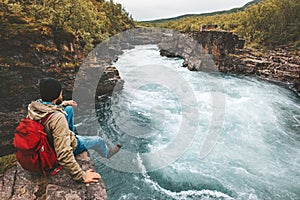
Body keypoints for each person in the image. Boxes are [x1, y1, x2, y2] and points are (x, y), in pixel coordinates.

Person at [27, 77, 121, 183]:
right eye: (61, 92)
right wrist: (82, 176)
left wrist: (63, 104)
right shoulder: (58, 119)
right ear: (58, 95)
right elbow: (63, 154)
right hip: (57, 146)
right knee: (98, 140)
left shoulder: (33, 108)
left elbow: (48, 109)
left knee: (69, 109)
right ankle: (107, 153)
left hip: (47, 140)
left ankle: (70, 132)